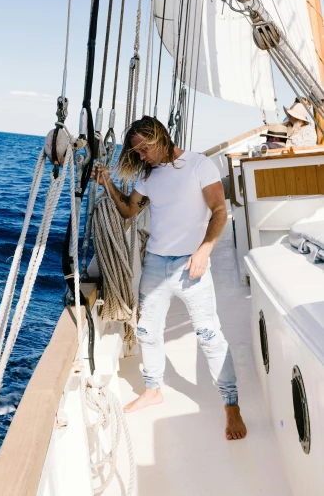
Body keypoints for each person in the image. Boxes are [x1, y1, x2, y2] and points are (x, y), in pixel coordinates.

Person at [91, 116, 247, 441]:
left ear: (159, 136)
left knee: (208, 335)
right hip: (156, 264)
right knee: (148, 331)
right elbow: (128, 212)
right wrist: (107, 182)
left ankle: (231, 406)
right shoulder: (149, 178)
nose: (142, 156)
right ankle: (153, 390)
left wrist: (204, 251)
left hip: (191, 266)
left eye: (145, 148)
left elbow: (219, 211)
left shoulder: (199, 165)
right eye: (137, 153)